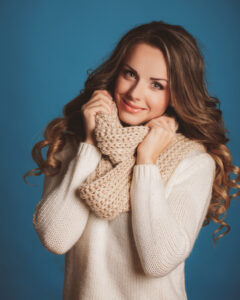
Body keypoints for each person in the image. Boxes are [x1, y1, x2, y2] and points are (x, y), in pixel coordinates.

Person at [24, 20, 240, 300]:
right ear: (116, 73)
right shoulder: (75, 144)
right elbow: (55, 238)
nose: (135, 93)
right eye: (130, 74)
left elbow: (158, 261)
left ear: (177, 94)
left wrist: (146, 162)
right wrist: (90, 145)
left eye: (157, 85)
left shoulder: (192, 161)